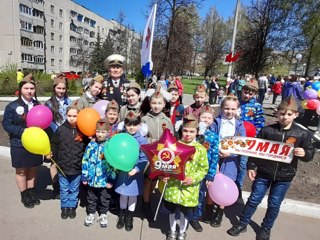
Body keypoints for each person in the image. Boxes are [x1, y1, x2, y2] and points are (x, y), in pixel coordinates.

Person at [227, 95, 315, 240]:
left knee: (274, 204)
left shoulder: (302, 134)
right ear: (277, 113)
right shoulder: (267, 130)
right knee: (254, 199)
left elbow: (310, 152)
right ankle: (242, 223)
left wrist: (305, 153)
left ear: (295, 115)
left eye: (289, 114)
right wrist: (251, 166)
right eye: (282, 113)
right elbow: (255, 150)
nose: (284, 117)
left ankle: (266, 229)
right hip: (263, 173)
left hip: (284, 176)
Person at [163, 114, 209, 240]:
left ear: (197, 132)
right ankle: (172, 230)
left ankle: (182, 231)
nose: (188, 134)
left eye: (191, 131)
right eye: (185, 130)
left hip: (189, 189)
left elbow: (203, 168)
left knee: (185, 213)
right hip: (173, 186)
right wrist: (165, 175)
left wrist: (194, 178)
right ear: (181, 130)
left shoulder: (200, 149)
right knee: (172, 211)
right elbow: (165, 163)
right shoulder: (173, 146)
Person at [2, 73, 42, 208]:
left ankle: (31, 191)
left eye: (32, 88)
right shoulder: (12, 106)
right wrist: (22, 131)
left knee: (33, 168)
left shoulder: (37, 105)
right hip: (19, 143)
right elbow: (6, 125)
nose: (29, 91)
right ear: (21, 90)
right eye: (26, 88)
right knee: (21, 171)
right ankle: (24, 194)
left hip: (35, 143)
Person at [209, 95, 246, 228]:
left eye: (232, 109)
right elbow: (210, 138)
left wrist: (231, 153)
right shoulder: (215, 122)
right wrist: (215, 153)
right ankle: (209, 207)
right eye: (226, 108)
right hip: (215, 156)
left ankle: (220, 210)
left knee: (226, 182)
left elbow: (243, 144)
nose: (229, 111)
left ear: (237, 110)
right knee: (211, 180)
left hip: (231, 160)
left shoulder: (240, 125)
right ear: (221, 108)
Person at [49, 106, 89, 219]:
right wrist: (51, 153)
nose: (72, 118)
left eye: (74, 116)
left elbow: (87, 147)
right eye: (69, 116)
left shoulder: (83, 130)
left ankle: (72, 206)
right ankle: (64, 207)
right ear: (66, 115)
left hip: (77, 167)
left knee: (74, 188)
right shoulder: (61, 129)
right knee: (64, 188)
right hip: (63, 166)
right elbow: (55, 144)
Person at [141, 88, 174, 219]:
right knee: (148, 180)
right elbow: (142, 138)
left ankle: (149, 199)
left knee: (155, 179)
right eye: (154, 103)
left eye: (159, 103)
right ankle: (145, 203)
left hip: (162, 156)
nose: (156, 106)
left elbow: (171, 139)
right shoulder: (144, 119)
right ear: (150, 103)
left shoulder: (167, 120)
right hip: (149, 155)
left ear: (164, 104)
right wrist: (155, 142)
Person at [114, 111, 148, 231]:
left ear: (139, 125)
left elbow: (144, 159)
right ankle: (122, 215)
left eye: (134, 124)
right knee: (123, 194)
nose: (132, 127)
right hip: (122, 172)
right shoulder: (121, 137)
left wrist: (137, 169)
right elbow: (116, 152)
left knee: (132, 196)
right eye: (129, 125)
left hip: (135, 174)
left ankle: (129, 216)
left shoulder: (142, 141)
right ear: (125, 125)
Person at [81, 118, 117, 228]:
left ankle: (103, 214)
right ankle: (91, 213)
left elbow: (114, 164)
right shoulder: (91, 145)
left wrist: (111, 179)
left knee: (104, 198)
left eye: (103, 132)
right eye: (98, 131)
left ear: (108, 132)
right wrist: (84, 175)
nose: (100, 134)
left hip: (104, 180)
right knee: (91, 197)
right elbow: (85, 160)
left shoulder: (110, 146)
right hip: (92, 179)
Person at [189, 105, 219, 232]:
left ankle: (195, 217)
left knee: (200, 194)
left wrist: (211, 175)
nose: (206, 120)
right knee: (189, 192)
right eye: (203, 117)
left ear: (212, 120)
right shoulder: (192, 133)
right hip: (190, 169)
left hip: (203, 171)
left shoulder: (213, 136)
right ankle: (186, 214)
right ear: (198, 117)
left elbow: (214, 157)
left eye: (209, 118)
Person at [45, 73, 72, 199]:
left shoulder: (70, 102)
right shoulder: (49, 104)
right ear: (54, 88)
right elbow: (46, 122)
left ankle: (67, 187)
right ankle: (56, 188)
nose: (61, 91)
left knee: (67, 161)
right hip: (54, 137)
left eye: (63, 88)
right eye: (58, 88)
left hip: (67, 136)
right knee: (54, 163)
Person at [238, 79, 265, 194]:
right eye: (245, 92)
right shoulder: (236, 102)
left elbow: (260, 123)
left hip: (248, 140)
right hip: (234, 138)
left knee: (243, 163)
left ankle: (238, 186)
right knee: (231, 161)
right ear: (242, 90)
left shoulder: (257, 106)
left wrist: (255, 135)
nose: (247, 95)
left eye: (250, 93)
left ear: (254, 94)